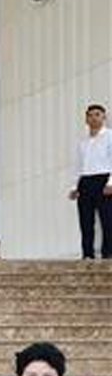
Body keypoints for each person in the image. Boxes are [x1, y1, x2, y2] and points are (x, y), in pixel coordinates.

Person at [70, 103, 112, 259]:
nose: (94, 118)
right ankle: (87, 254)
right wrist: (75, 186)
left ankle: (108, 253)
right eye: (90, 115)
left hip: (104, 180)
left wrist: (110, 183)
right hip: (86, 181)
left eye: (97, 114)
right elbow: (78, 165)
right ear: (86, 119)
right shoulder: (83, 142)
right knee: (86, 221)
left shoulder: (110, 136)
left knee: (107, 219)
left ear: (104, 117)